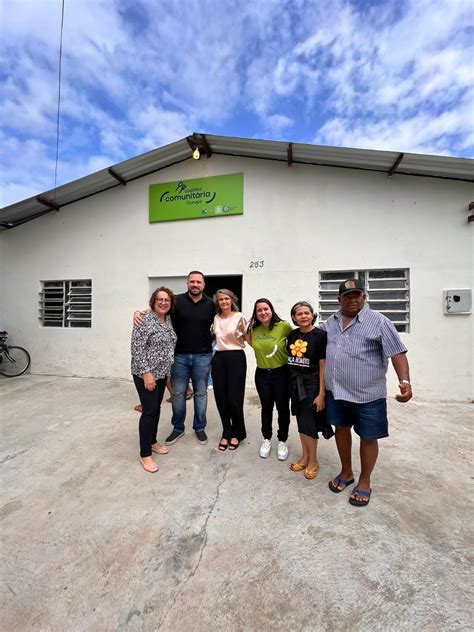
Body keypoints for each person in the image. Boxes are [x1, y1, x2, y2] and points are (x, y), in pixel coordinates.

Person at [322, 279, 412, 507]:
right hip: (337, 392)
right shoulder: (329, 323)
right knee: (341, 430)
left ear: (364, 297)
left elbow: (397, 353)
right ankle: (346, 472)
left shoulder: (380, 322)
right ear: (339, 299)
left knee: (368, 437)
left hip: (368, 395)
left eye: (357, 295)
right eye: (348, 296)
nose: (353, 299)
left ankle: (364, 481)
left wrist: (405, 381)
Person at [133, 271, 215, 446]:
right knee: (178, 394)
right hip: (179, 357)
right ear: (187, 283)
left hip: (203, 356)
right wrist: (139, 311)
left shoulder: (211, 304)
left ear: (203, 284)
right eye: (192, 281)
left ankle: (199, 427)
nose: (195, 284)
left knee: (201, 394)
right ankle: (178, 428)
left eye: (198, 282)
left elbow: (224, 317)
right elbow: (159, 306)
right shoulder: (176, 301)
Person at [131, 287, 177, 473]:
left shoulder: (168, 319)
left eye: (167, 300)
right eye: (160, 299)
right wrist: (146, 373)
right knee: (149, 411)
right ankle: (145, 454)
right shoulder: (144, 320)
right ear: (153, 301)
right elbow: (137, 349)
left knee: (156, 409)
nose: (163, 302)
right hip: (146, 374)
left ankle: (152, 441)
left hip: (161, 374)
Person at [286, 302, 333, 480]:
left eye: (307, 313)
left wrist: (322, 394)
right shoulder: (292, 334)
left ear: (313, 315)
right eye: (299, 314)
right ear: (294, 317)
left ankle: (313, 461)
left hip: (312, 383)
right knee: (300, 420)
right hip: (294, 383)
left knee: (310, 423)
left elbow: (323, 365)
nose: (304, 316)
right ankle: (305, 457)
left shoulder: (320, 335)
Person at [246, 298, 293, 460]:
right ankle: (266, 439)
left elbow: (297, 341)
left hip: (282, 373)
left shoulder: (284, 326)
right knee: (266, 408)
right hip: (262, 375)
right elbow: (252, 345)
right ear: (256, 314)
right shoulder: (253, 330)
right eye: (259, 310)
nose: (263, 312)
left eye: (265, 309)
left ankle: (282, 440)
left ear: (271, 310)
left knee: (282, 408)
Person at [212, 289, 248, 451]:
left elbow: (249, 338)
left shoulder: (240, 317)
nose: (224, 301)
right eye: (221, 299)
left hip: (236, 358)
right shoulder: (216, 318)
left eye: (226, 298)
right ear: (218, 302)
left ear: (231, 300)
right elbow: (214, 338)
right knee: (221, 397)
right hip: (219, 358)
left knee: (234, 398)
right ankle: (227, 430)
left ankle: (238, 432)